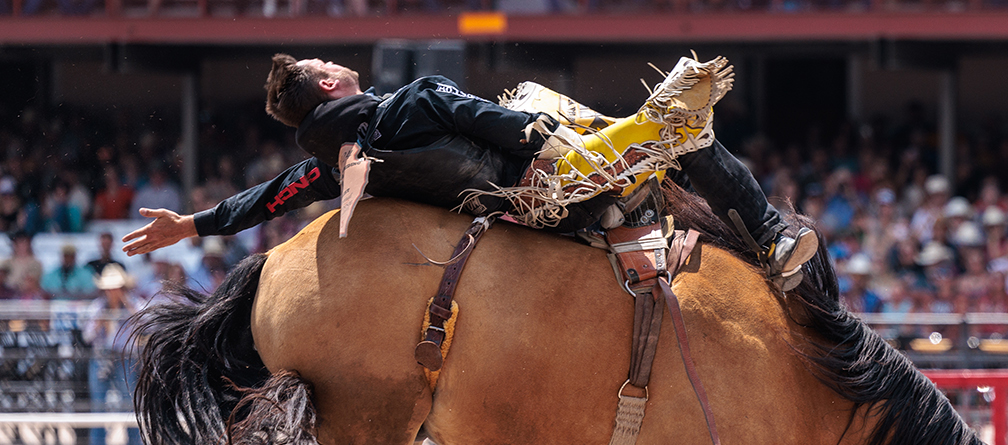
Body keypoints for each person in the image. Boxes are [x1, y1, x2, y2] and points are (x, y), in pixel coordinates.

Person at [124, 54, 816, 290]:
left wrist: (191, 224)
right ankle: (771, 240)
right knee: (683, 127)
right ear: (330, 83)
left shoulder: (340, 163)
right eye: (326, 63)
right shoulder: (416, 96)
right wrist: (571, 137)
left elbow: (271, 196)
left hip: (522, 225)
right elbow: (501, 125)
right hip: (564, 181)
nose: (336, 62)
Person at [82, 264, 146, 445]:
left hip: (126, 358)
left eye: (116, 287)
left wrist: (126, 305)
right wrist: (99, 321)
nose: (112, 292)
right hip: (102, 358)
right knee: (98, 406)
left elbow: (146, 323)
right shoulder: (97, 307)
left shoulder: (135, 303)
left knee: (129, 405)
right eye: (109, 288)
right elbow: (87, 336)